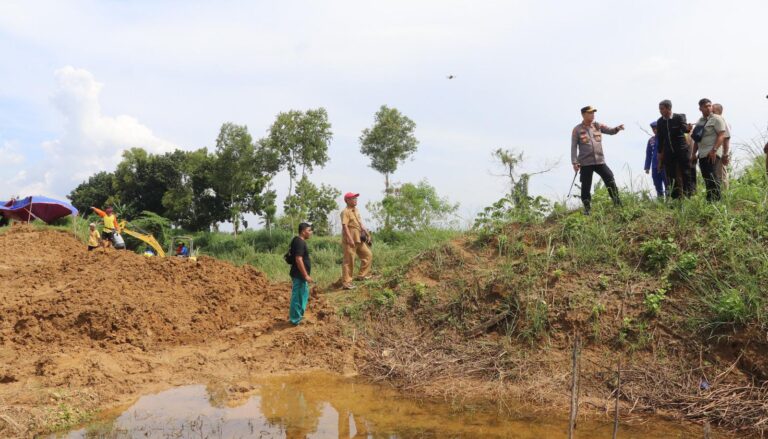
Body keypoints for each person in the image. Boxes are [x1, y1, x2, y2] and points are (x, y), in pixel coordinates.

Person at [570, 106, 624, 215]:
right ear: (584, 115)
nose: (593, 115)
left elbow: (610, 131)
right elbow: (573, 146)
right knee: (586, 185)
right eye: (590, 113)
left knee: (609, 178)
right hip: (585, 163)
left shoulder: (598, 126)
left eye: (593, 113)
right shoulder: (577, 129)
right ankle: (587, 208)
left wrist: (617, 128)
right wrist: (575, 162)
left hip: (599, 161)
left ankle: (617, 203)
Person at [656, 100, 693, 199]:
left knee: (686, 172)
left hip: (681, 150)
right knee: (671, 175)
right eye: (659, 109)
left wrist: (689, 128)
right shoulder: (660, 121)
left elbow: (685, 129)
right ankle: (676, 198)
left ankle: (688, 195)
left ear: (669, 108)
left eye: (662, 109)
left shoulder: (678, 117)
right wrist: (659, 153)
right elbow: (660, 138)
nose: (660, 111)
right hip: (669, 152)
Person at [691, 98, 727, 202]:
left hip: (713, 153)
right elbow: (696, 139)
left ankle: (717, 201)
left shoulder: (717, 118)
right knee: (706, 177)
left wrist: (714, 150)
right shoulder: (700, 121)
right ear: (700, 108)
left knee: (713, 176)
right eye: (706, 106)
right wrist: (693, 154)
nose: (708, 108)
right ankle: (710, 200)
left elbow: (721, 135)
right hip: (702, 154)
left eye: (709, 105)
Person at [340, 192, 373, 289]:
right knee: (349, 261)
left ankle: (362, 275)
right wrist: (349, 239)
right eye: (353, 198)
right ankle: (346, 282)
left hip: (359, 238)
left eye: (356, 198)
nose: (355, 200)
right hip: (350, 239)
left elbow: (360, 223)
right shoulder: (345, 212)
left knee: (368, 255)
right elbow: (344, 226)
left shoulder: (356, 210)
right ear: (347, 200)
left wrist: (367, 234)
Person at [289, 222, 313, 325]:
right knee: (298, 296)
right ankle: (295, 319)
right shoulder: (300, 242)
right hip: (299, 275)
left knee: (303, 294)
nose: (310, 232)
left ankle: (298, 316)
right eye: (309, 230)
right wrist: (306, 275)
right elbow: (298, 259)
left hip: (299, 274)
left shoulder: (297, 240)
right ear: (303, 232)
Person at [644, 121, 666, 199]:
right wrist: (647, 167)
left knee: (667, 184)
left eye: (656, 128)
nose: (655, 130)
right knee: (657, 184)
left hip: (664, 165)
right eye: (653, 129)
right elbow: (648, 154)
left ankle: (669, 202)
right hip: (654, 166)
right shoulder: (651, 140)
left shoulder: (665, 138)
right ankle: (660, 201)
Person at [712, 103, 731, 190]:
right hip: (714, 152)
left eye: (713, 111)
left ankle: (725, 196)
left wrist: (725, 154)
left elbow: (726, 138)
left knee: (722, 175)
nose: (711, 112)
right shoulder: (713, 121)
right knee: (715, 175)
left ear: (718, 111)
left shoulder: (722, 121)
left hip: (721, 153)